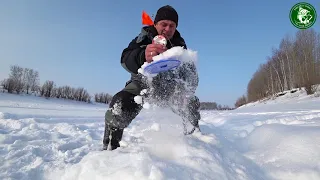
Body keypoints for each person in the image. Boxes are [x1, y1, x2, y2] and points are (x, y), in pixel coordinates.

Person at [103, 5, 201, 150]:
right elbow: (125, 60)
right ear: (155, 24)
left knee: (191, 104)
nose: (167, 29)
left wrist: (185, 83)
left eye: (172, 25)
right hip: (143, 84)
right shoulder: (143, 38)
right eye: (164, 24)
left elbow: (191, 76)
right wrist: (143, 55)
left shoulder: (180, 45)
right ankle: (110, 149)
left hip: (171, 87)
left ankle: (195, 144)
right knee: (119, 104)